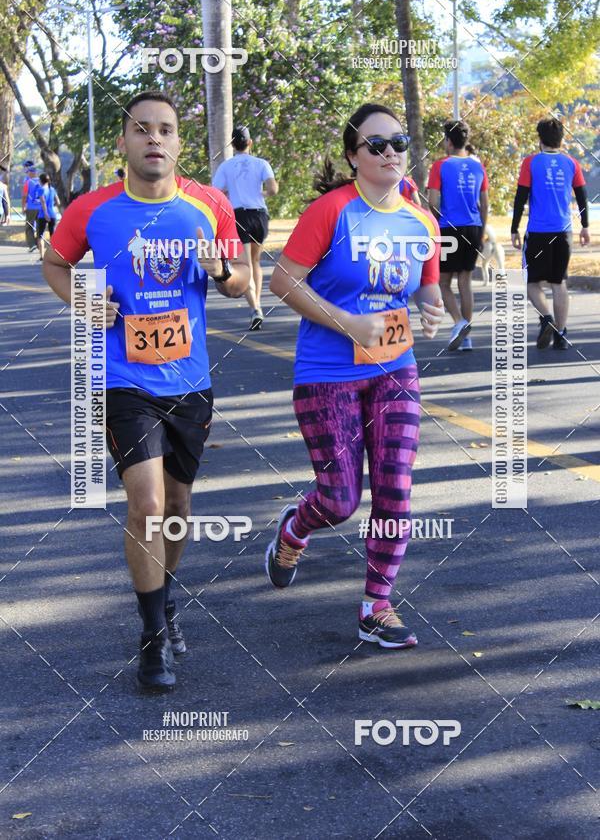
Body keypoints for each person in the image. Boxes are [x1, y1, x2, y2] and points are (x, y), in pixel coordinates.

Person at [43, 90, 250, 690]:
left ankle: (164, 601)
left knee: (180, 510)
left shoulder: (210, 205)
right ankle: (152, 638)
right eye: (142, 129)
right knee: (148, 505)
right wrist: (83, 298)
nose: (154, 138)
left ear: (179, 143)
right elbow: (55, 265)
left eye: (165, 130)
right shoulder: (92, 209)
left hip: (189, 380)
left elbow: (241, 282)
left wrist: (220, 269)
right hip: (122, 377)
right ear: (124, 142)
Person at [266, 103, 444, 650]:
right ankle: (295, 528)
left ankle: (377, 606)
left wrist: (431, 310)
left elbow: (426, 288)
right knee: (340, 499)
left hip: (396, 369)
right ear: (353, 156)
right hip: (327, 374)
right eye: (376, 144)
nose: (390, 151)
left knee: (395, 488)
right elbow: (282, 282)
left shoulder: (422, 222)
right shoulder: (331, 211)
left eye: (398, 141)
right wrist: (348, 322)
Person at [511, 116, 590, 350]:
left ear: (540, 139)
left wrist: (514, 227)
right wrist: (585, 226)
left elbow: (521, 197)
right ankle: (561, 335)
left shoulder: (531, 163)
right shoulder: (572, 163)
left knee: (531, 282)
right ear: (561, 138)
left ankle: (546, 317)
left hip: (537, 232)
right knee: (559, 283)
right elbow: (583, 197)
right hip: (563, 231)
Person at [427, 120, 489, 352]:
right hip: (474, 228)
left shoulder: (439, 166)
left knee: (442, 282)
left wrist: (433, 225)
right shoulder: (477, 166)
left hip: (449, 229)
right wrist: (481, 231)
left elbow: (433, 202)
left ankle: (460, 322)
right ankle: (467, 336)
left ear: (449, 141)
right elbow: (484, 205)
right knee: (465, 281)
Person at [212, 125, 278, 330]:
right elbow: (273, 189)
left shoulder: (226, 166)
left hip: (238, 215)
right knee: (255, 262)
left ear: (232, 144)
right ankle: (257, 305)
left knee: (245, 264)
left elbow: (216, 192)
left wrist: (231, 194)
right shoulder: (261, 163)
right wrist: (261, 195)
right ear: (250, 143)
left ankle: (256, 307)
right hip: (259, 215)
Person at [34, 173, 59, 260]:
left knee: (40, 235)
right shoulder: (52, 189)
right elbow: (58, 202)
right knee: (53, 235)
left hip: (43, 215)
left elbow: (43, 202)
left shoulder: (40, 190)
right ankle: (54, 255)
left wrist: (45, 213)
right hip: (53, 214)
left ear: (41, 181)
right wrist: (51, 206)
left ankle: (42, 255)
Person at [21, 161, 42, 254]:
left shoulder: (28, 182)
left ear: (30, 172)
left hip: (31, 208)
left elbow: (24, 196)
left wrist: (23, 207)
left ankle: (32, 245)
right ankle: (39, 244)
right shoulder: (42, 181)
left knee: (29, 226)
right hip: (41, 208)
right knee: (39, 227)